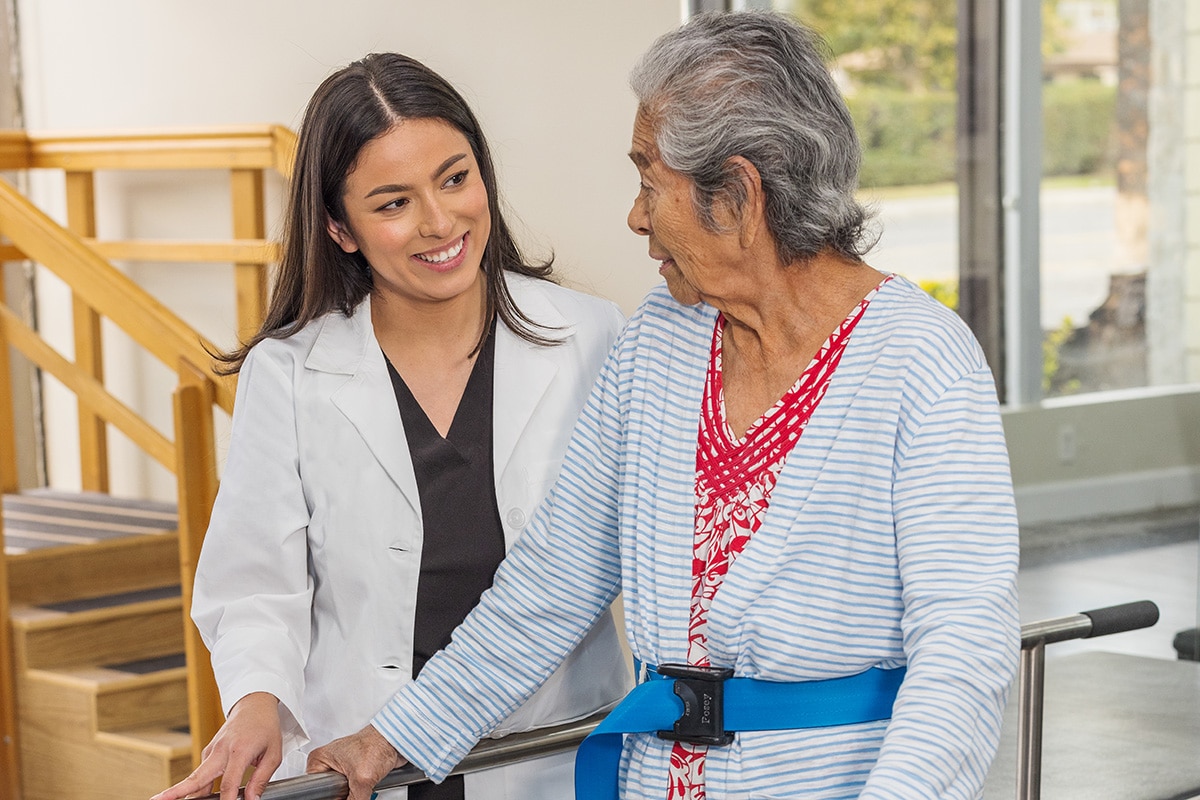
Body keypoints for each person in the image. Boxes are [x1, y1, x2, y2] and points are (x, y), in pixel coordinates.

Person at [309, 11, 1021, 800]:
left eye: (651, 181)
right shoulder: (662, 338)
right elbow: (552, 582)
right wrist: (394, 737)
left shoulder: (919, 359)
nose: (636, 215)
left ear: (740, 194)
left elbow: (963, 656)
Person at [151, 52, 630, 800]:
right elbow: (255, 584)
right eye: (392, 202)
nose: (441, 222)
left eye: (455, 177)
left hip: (549, 758)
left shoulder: (594, 340)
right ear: (340, 227)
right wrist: (254, 703)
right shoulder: (288, 373)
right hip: (360, 762)